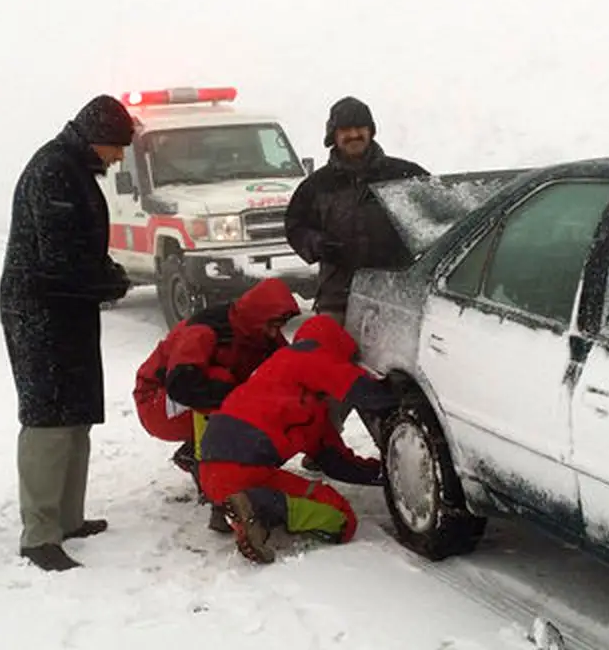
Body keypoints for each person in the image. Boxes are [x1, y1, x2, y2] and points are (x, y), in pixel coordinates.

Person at [0, 94, 136, 572]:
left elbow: (79, 251)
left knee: (75, 413)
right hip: (39, 311)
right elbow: (59, 260)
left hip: (68, 309)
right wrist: (109, 280)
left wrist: (104, 274)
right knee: (48, 418)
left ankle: (68, 519)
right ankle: (39, 536)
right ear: (96, 139)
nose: (119, 158)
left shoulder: (73, 168)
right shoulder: (54, 171)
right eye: (117, 148)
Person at [197, 315, 399, 563]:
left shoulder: (278, 374)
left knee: (244, 482)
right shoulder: (314, 358)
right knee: (342, 518)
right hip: (247, 463)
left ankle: (230, 506)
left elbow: (337, 462)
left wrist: (389, 474)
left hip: (211, 466)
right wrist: (405, 397)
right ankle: (257, 505)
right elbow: (364, 391)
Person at [135, 278, 300, 531]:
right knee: (218, 385)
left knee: (248, 396)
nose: (273, 333)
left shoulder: (261, 332)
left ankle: (202, 453)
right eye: (272, 325)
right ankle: (217, 492)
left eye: (279, 327)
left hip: (186, 396)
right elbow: (183, 385)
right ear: (257, 316)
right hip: (158, 400)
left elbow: (289, 370)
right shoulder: (205, 331)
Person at [284, 96, 430, 324]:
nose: (354, 134)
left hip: (397, 297)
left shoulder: (405, 175)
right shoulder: (316, 186)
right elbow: (295, 227)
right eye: (345, 129)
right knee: (334, 358)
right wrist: (317, 244)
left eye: (360, 127)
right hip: (338, 299)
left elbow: (439, 220)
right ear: (333, 136)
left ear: (371, 131)